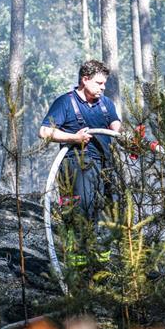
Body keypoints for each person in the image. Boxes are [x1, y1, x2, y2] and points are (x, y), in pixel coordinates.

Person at [39, 60, 122, 223]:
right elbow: (44, 131)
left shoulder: (106, 103)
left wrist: (120, 133)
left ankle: (98, 248)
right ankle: (76, 249)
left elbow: (115, 124)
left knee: (106, 212)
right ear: (85, 79)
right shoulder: (65, 102)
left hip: (105, 165)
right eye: (99, 83)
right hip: (76, 167)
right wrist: (74, 138)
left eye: (104, 83)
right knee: (79, 215)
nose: (103, 87)